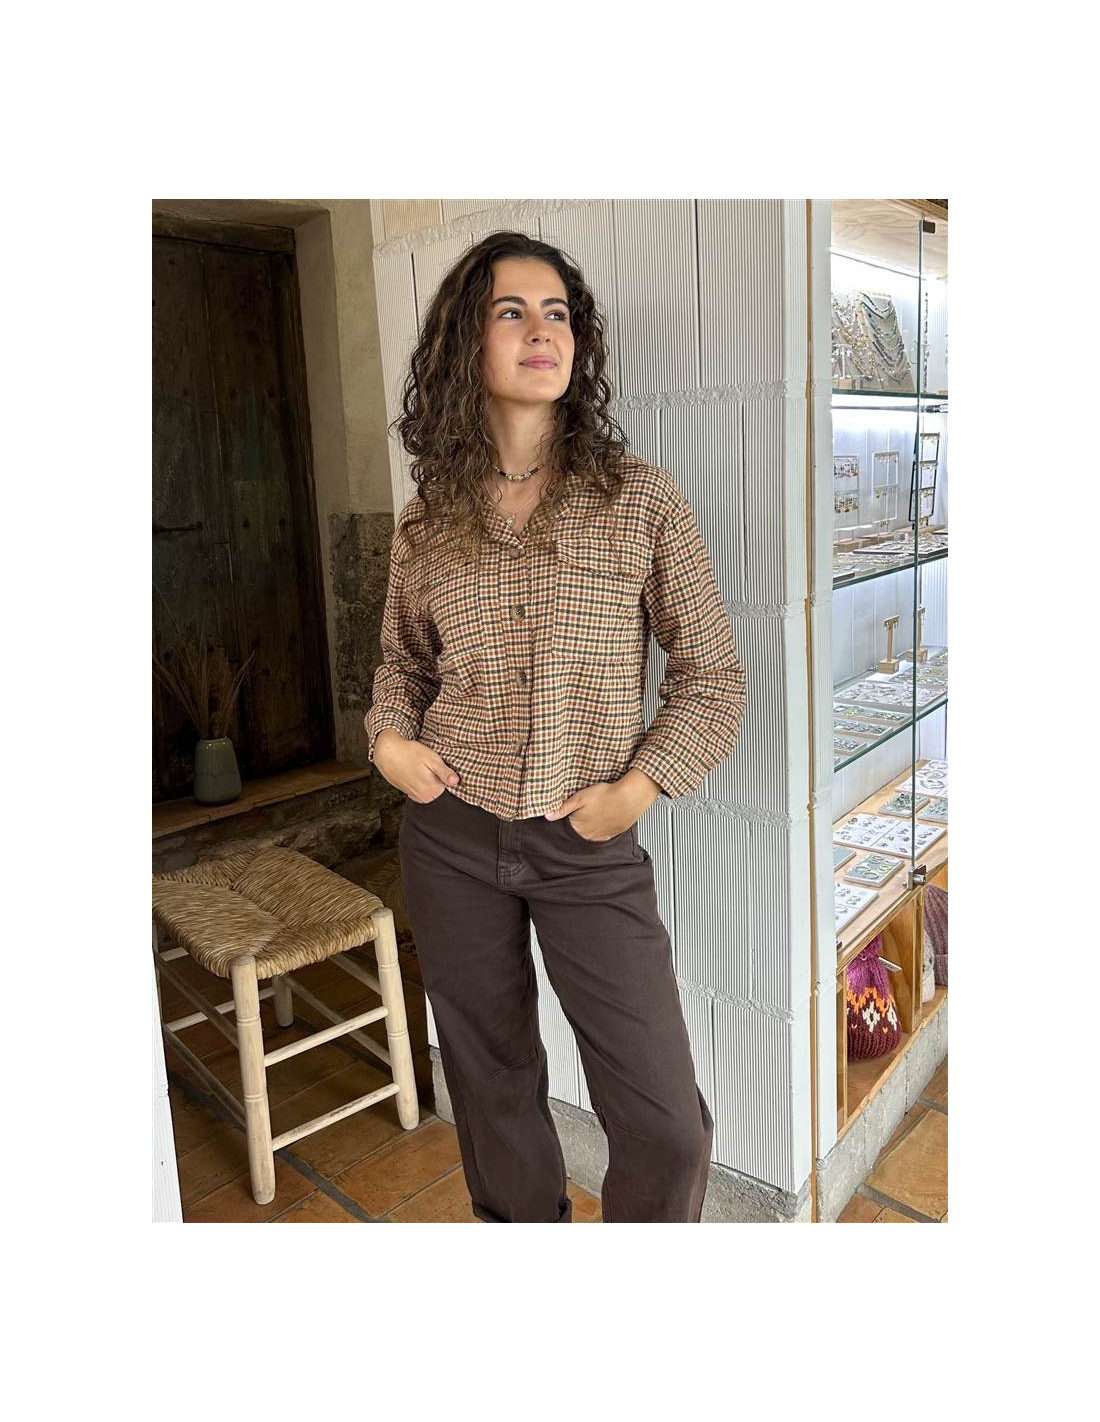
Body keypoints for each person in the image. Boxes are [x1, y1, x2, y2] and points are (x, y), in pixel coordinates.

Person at [365, 230, 746, 1222]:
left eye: (557, 314)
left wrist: (637, 789)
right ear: (467, 343)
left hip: (588, 847)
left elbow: (711, 679)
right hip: (450, 839)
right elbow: (402, 667)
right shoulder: (426, 521)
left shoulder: (638, 500)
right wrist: (387, 741)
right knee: (489, 1087)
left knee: (667, 1125)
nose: (542, 332)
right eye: (512, 312)